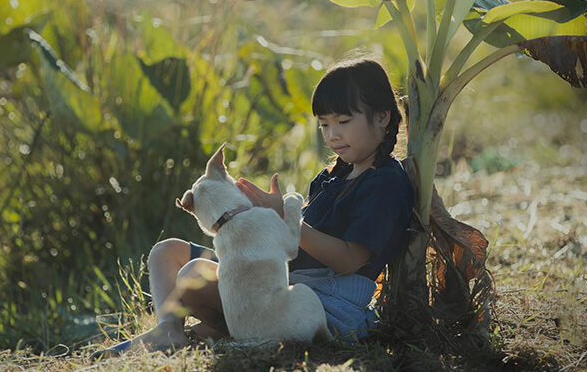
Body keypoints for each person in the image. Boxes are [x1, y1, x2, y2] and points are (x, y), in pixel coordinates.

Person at [95, 58, 414, 356]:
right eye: (324, 124)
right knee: (167, 252)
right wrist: (264, 217)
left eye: (343, 121)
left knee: (194, 274)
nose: (332, 135)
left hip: (320, 299)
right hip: (272, 279)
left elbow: (350, 262)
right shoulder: (334, 174)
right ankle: (170, 329)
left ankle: (220, 332)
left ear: (382, 116)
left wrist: (286, 218)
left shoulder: (384, 183)